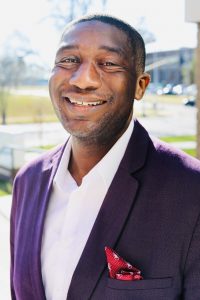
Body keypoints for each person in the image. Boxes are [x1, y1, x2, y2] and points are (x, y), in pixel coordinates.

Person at [10, 14, 200, 300]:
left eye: (108, 63)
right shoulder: (28, 182)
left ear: (140, 86)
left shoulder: (191, 191)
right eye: (68, 60)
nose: (82, 80)